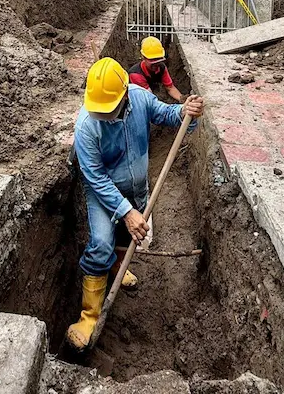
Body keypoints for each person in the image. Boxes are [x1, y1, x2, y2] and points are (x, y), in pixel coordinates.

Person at [66, 57, 204, 350]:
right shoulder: (87, 126)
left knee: (123, 236)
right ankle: (89, 316)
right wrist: (126, 211)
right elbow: (95, 178)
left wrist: (184, 111)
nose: (102, 115)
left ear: (125, 95)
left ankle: (116, 267)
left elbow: (166, 114)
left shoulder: (140, 98)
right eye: (98, 110)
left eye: (108, 109)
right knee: (101, 243)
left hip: (136, 189)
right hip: (103, 192)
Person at [127, 37, 184, 103]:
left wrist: (182, 99)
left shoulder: (161, 67)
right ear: (143, 57)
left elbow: (170, 87)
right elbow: (150, 98)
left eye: (158, 59)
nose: (155, 64)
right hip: (139, 100)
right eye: (152, 60)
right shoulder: (136, 74)